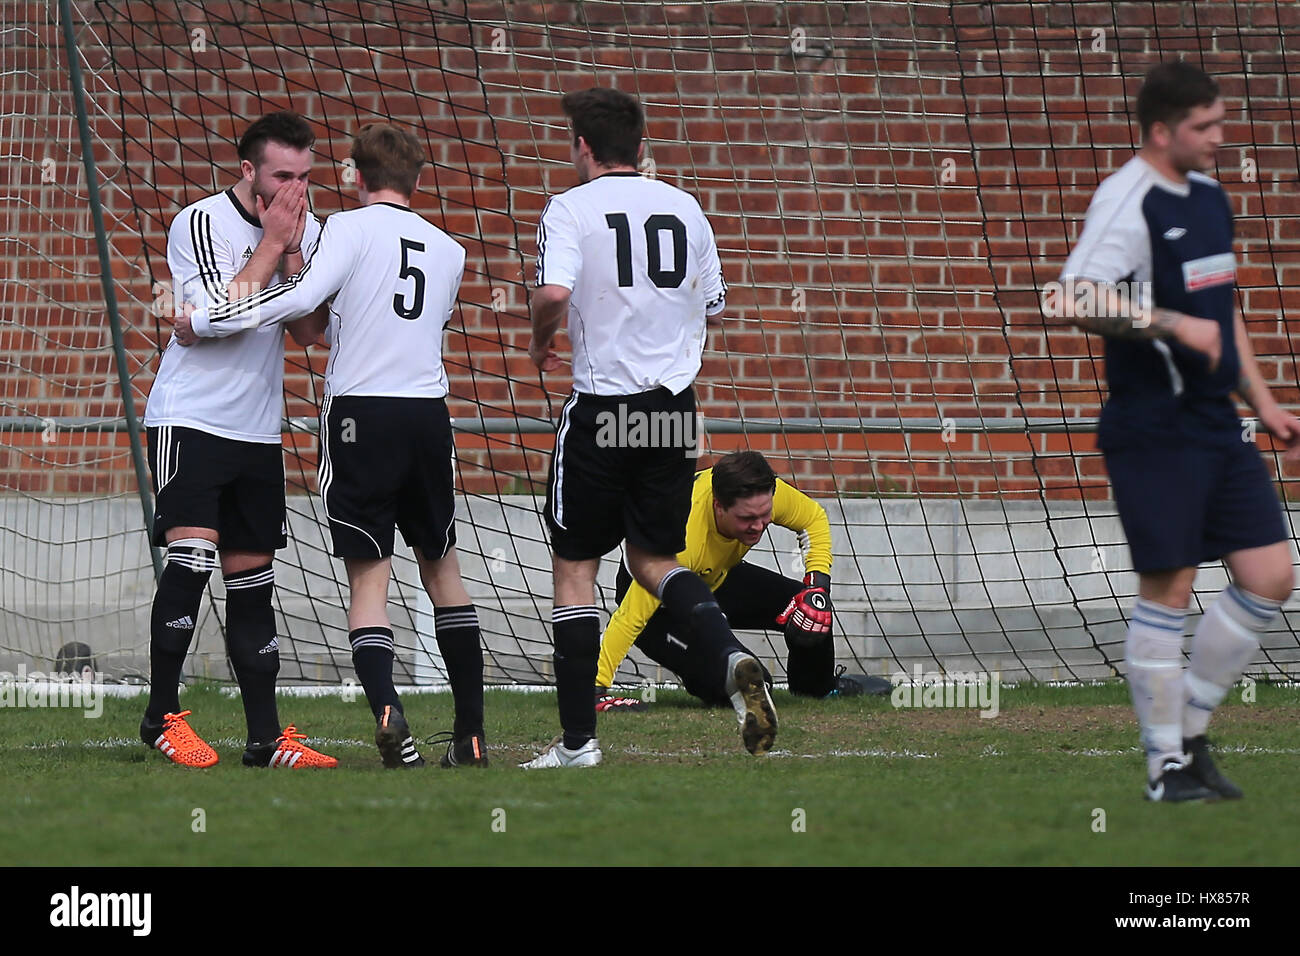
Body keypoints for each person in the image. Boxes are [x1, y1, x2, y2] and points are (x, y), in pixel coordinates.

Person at [176, 123, 487, 770]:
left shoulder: (345, 229)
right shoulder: (449, 249)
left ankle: (387, 712)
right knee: (444, 571)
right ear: (418, 180)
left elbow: (300, 304)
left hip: (361, 419)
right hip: (429, 418)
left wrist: (204, 318)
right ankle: (471, 736)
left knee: (369, 584)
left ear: (354, 177)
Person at [1056, 61, 1299, 801]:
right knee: (1170, 591)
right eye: (1205, 128)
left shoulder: (1211, 199)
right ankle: (1165, 766)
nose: (1219, 139)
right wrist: (1169, 323)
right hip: (1152, 427)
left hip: (1218, 424)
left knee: (1271, 577)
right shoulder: (1126, 201)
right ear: (1162, 131)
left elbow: (1224, 313)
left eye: (1220, 124)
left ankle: (1189, 728)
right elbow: (1070, 297)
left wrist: (1264, 401)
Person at [520, 87, 779, 768]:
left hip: (603, 408)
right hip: (671, 411)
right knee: (655, 560)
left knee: (576, 570)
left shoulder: (569, 208)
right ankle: (728, 655)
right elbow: (716, 308)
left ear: (583, 147)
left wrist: (539, 338)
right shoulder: (686, 208)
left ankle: (578, 744)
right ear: (640, 146)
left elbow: (551, 293)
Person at [141, 110, 336, 769]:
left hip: (256, 430)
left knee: (253, 586)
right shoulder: (200, 221)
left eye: (305, 178)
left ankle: (264, 739)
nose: (293, 191)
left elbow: (310, 331)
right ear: (248, 170)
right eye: (282, 176)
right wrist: (273, 245)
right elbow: (206, 319)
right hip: (191, 419)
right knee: (191, 566)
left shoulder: (303, 226)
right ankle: (161, 718)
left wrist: (299, 252)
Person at [595, 450, 890, 717]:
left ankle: (819, 689)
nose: (760, 526)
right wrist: (595, 688)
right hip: (663, 609)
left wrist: (817, 584)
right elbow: (629, 617)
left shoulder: (764, 495)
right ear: (718, 506)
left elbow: (813, 518)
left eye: (765, 516)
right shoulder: (679, 538)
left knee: (810, 606)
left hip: (716, 577)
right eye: (748, 519)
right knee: (751, 686)